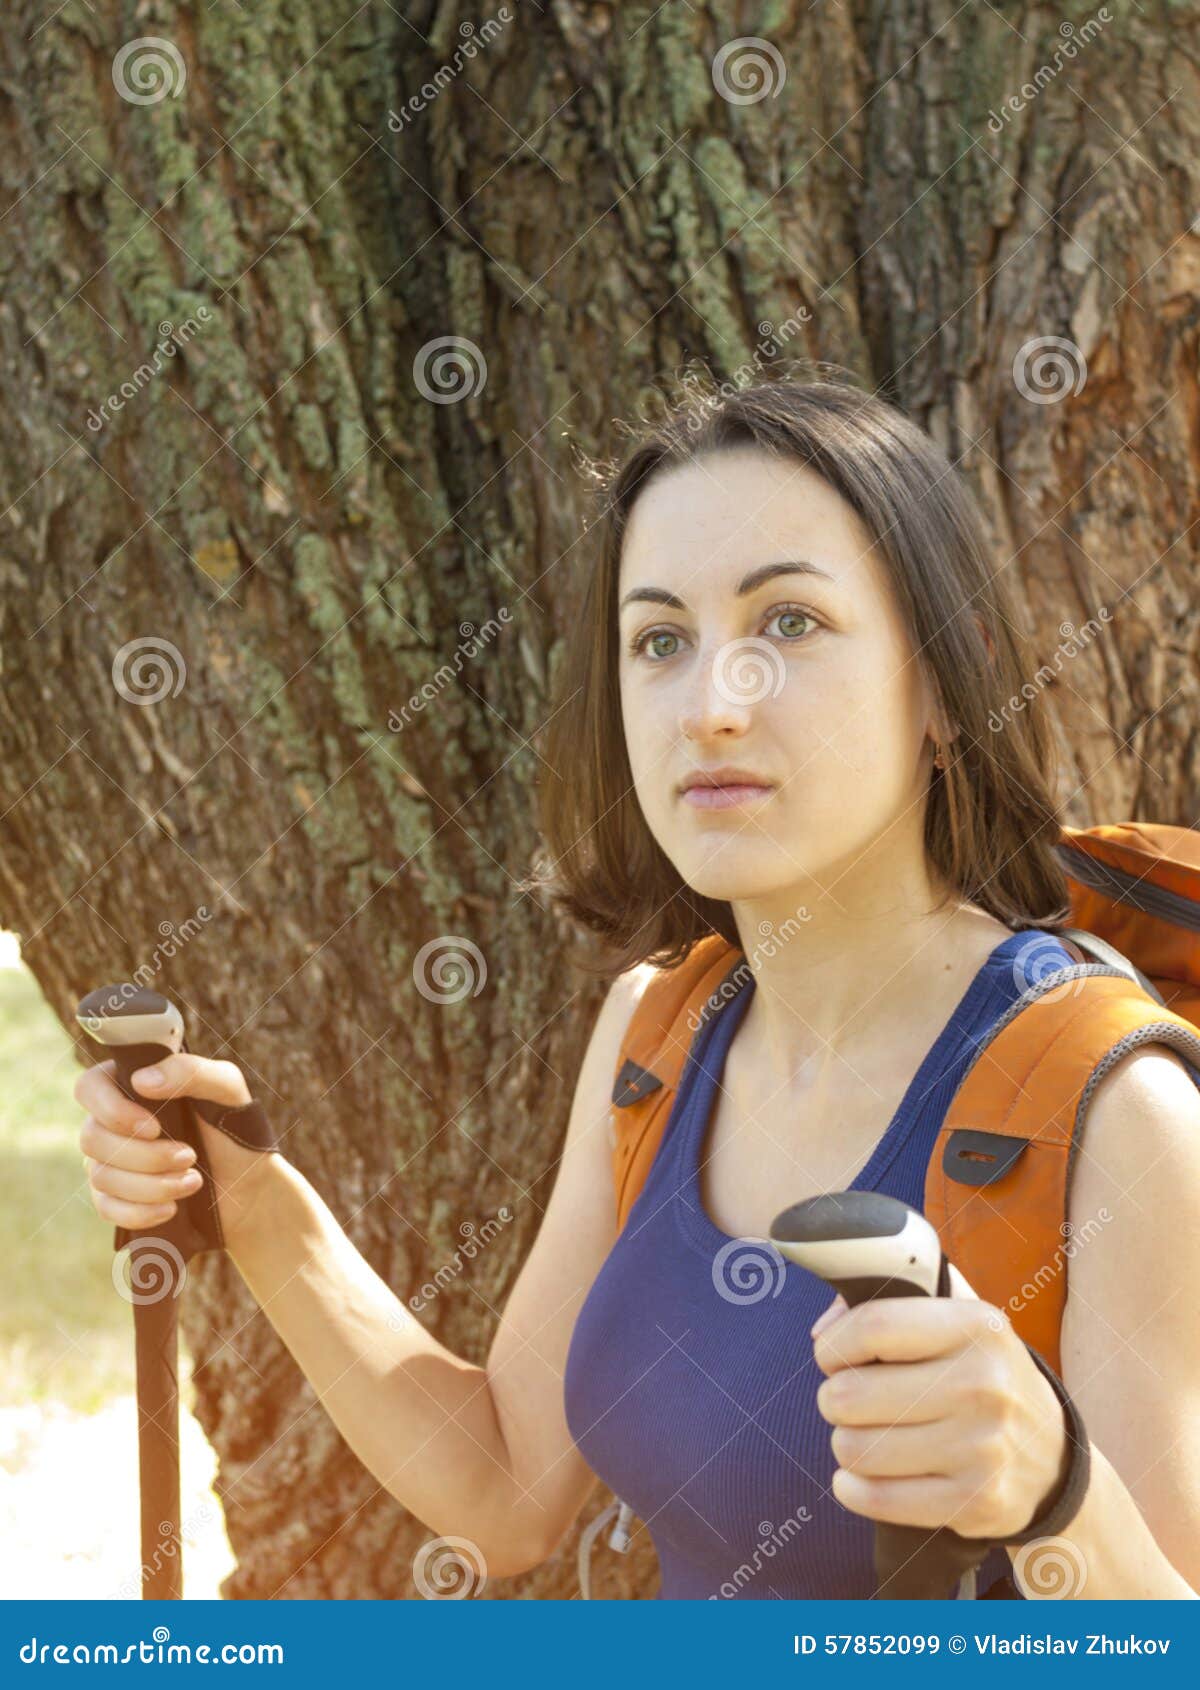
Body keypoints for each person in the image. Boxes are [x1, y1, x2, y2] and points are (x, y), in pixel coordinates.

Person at [74, 374, 1200, 1599]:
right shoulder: (661, 1030)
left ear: (941, 684)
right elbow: (504, 1488)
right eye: (661, 641)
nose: (713, 707)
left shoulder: (1110, 1109)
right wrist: (252, 1206)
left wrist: (1057, 1492)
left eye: (790, 625)